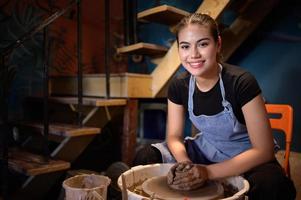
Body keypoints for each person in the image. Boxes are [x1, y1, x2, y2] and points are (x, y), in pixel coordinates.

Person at [133, 13, 296, 199]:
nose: (193, 54)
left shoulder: (241, 82)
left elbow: (264, 150)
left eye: (203, 44)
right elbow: (173, 137)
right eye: (185, 46)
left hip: (246, 154)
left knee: (272, 185)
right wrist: (186, 164)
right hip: (206, 149)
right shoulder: (179, 85)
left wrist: (208, 172)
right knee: (146, 156)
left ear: (218, 44)